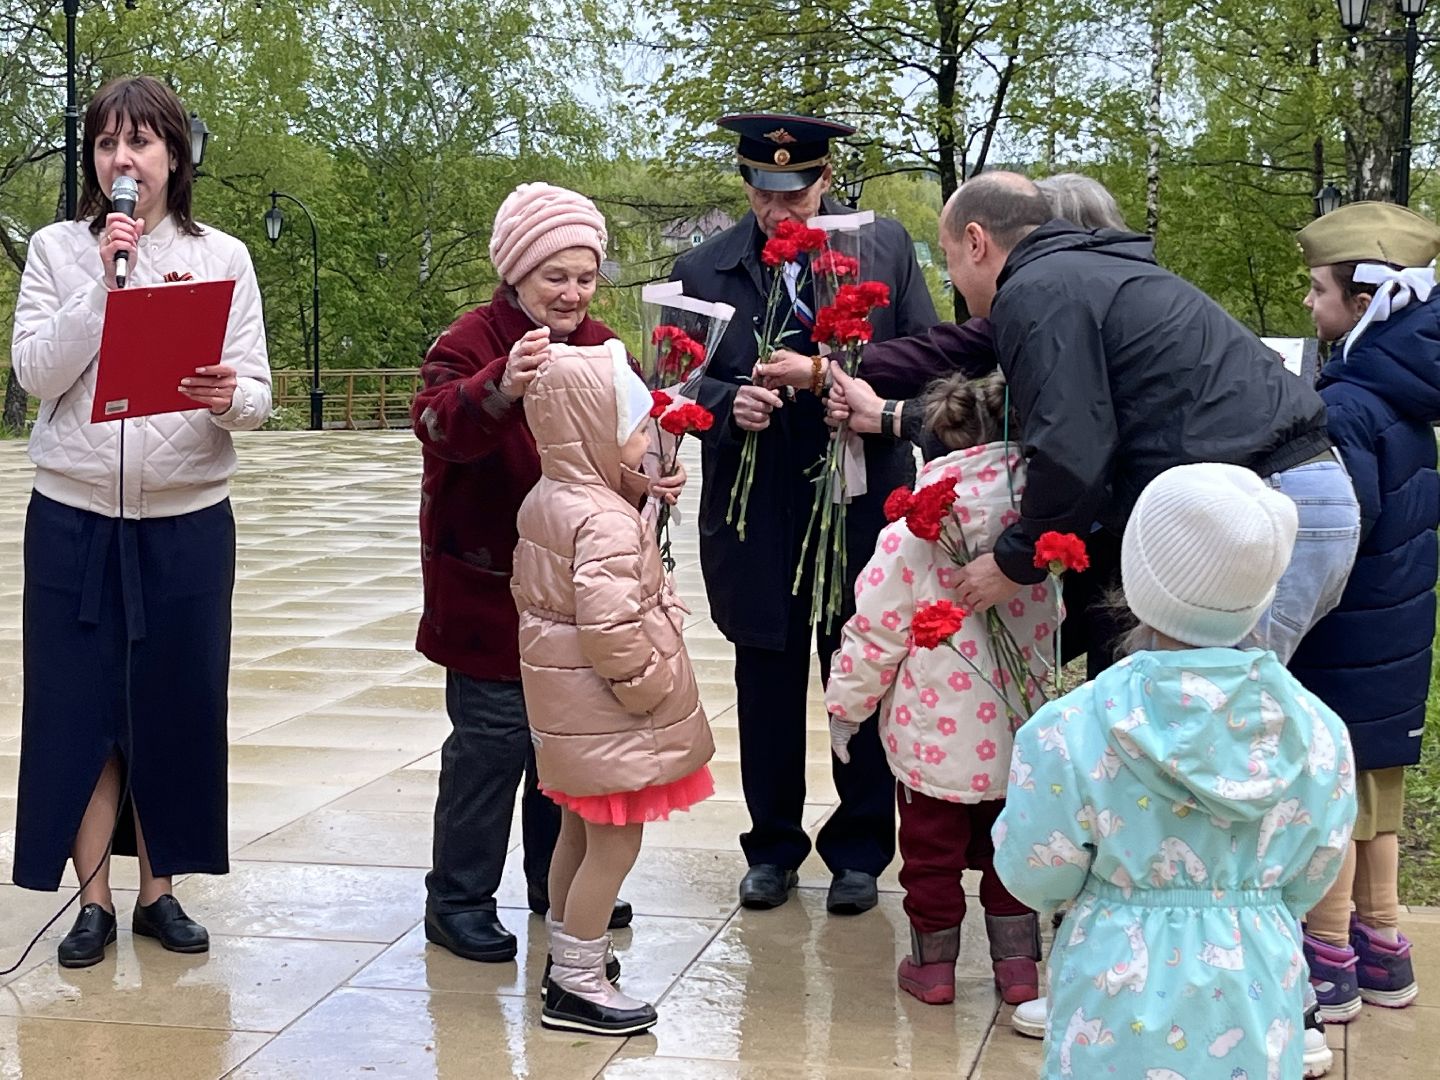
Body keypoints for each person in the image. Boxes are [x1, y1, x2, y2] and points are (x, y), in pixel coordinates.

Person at [9, 75, 271, 966]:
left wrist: (232, 398)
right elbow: (35, 374)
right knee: (79, 709)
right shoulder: (56, 250)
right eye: (107, 143)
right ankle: (92, 901)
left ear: (174, 155)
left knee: (175, 705)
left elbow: (258, 393)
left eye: (141, 141)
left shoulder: (223, 256)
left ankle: (159, 892)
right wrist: (101, 287)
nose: (123, 159)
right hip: (74, 519)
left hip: (186, 523)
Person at [993, 463, 1357, 1080]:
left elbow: (1035, 870)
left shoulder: (1071, 727)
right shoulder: (1317, 732)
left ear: (1136, 580)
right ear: (1263, 591)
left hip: (1113, 990)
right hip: (1256, 985)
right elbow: (1314, 871)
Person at [671, 113, 938, 914]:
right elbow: (674, 380)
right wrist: (728, 403)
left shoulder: (881, 248)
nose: (778, 209)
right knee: (767, 683)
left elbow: (928, 359)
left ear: (826, 179)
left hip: (857, 507)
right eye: (762, 191)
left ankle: (860, 850)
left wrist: (839, 382)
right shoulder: (704, 268)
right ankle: (773, 847)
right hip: (755, 513)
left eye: (795, 192)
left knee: (860, 670)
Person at [941, 172, 1358, 674]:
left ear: (975, 241)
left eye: (947, 258)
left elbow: (1070, 448)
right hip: (1301, 492)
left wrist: (1014, 562)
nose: (952, 277)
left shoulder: (1035, 289)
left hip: (1257, 510)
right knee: (1198, 704)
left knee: (1200, 707)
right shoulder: (1093, 272)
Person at [411, 183, 679, 962]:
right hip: (488, 586)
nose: (571, 293)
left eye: (585, 277)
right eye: (554, 276)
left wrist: (653, 475)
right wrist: (499, 386)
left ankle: (552, 882)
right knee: (490, 747)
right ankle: (458, 899)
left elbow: (629, 446)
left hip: (574, 592)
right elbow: (435, 426)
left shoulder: (606, 347)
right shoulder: (470, 339)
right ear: (516, 273)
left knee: (566, 745)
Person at [824, 371, 1054, 1007]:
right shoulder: (1036, 525)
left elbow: (875, 632)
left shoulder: (914, 532)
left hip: (934, 735)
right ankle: (1018, 968)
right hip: (1022, 729)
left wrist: (847, 707)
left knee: (930, 855)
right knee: (1013, 848)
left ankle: (934, 968)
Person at [512, 344, 715, 1036]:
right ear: (590, 430)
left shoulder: (551, 496)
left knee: (576, 833)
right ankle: (577, 984)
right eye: (632, 429)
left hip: (573, 710)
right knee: (614, 847)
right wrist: (651, 682)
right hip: (610, 712)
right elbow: (610, 628)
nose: (644, 440)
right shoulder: (603, 519)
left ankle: (568, 954)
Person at [1288, 202, 1440, 1022]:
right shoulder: (1408, 398)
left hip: (1344, 635)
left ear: (1363, 302)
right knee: (1376, 796)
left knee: (1330, 795)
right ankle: (1383, 944)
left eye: (1319, 290)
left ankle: (1327, 956)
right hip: (1398, 629)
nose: (1309, 303)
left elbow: (1336, 530)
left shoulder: (1347, 405)